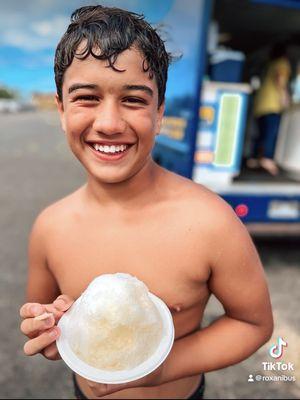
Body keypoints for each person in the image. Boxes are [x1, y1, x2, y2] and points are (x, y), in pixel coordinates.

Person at [19, 5, 273, 399]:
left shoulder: (210, 222)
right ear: (62, 110)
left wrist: (158, 369)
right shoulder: (51, 227)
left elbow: (253, 324)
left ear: (159, 113)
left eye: (134, 100)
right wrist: (51, 327)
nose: (109, 123)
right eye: (86, 97)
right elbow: (41, 312)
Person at [248, 42, 291, 175]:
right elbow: (280, 78)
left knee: (262, 132)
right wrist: (285, 96)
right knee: (270, 133)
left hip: (261, 102)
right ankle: (267, 159)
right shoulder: (282, 63)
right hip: (272, 103)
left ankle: (254, 159)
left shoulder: (270, 63)